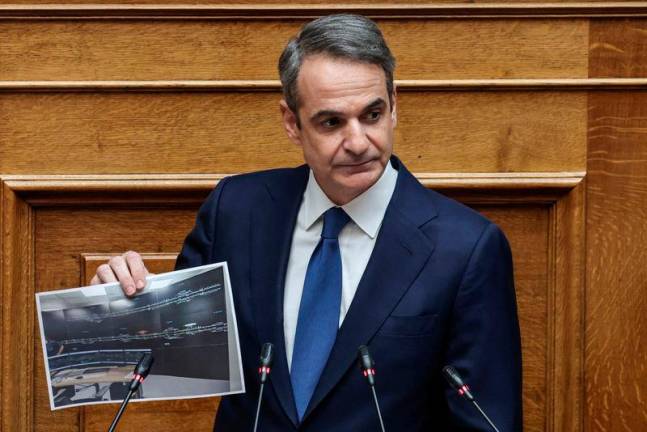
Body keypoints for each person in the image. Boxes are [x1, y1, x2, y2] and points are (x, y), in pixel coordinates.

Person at [91, 14, 522, 431]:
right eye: (332, 122)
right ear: (292, 124)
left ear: (394, 108)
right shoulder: (237, 210)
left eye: (372, 115)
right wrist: (113, 306)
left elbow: (486, 419)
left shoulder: (465, 248)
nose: (358, 142)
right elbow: (172, 353)